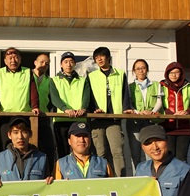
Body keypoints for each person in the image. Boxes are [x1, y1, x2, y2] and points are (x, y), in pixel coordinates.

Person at [87, 46, 133, 177]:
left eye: (101, 56)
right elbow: (89, 96)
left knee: (117, 152)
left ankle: (120, 179)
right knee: (100, 152)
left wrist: (126, 108)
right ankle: (99, 179)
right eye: (96, 57)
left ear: (108, 57)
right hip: (97, 119)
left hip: (114, 119)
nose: (99, 59)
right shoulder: (91, 76)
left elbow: (125, 94)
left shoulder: (120, 74)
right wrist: (93, 110)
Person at [0, 47, 40, 148]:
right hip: (5, 114)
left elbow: (33, 90)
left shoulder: (27, 72)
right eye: (10, 58)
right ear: (5, 61)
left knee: (23, 143)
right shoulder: (0, 73)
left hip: (23, 113)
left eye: (16, 58)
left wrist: (35, 106)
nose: (13, 60)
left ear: (20, 59)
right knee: (6, 143)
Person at [49, 51, 90, 159]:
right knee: (62, 150)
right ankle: (62, 170)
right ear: (61, 64)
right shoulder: (54, 80)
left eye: (71, 61)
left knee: (80, 150)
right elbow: (54, 98)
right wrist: (65, 109)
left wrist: (83, 108)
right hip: (61, 119)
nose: (69, 64)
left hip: (79, 119)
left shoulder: (83, 80)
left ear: (75, 64)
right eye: (66, 62)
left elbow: (86, 96)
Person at [127, 59, 163, 168]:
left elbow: (159, 102)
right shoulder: (130, 86)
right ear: (134, 71)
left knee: (151, 152)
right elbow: (129, 104)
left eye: (143, 68)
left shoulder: (156, 85)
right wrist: (138, 112)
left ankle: (152, 174)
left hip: (151, 121)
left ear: (147, 69)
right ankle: (138, 175)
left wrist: (152, 112)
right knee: (135, 153)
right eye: (138, 69)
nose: (141, 71)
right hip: (135, 121)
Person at [160, 62, 190, 163]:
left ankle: (182, 174)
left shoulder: (188, 86)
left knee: (181, 158)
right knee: (169, 157)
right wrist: (171, 114)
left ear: (181, 74)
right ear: (167, 74)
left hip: (185, 127)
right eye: (171, 73)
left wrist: (186, 112)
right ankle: (169, 174)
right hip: (168, 126)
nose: (174, 75)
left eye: (176, 72)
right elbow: (160, 104)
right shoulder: (162, 86)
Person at [32, 52, 57, 165]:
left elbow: (52, 99)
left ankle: (49, 172)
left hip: (43, 117)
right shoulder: (26, 76)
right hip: (28, 116)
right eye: (41, 62)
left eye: (47, 64)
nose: (44, 65)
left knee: (48, 148)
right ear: (35, 62)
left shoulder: (49, 80)